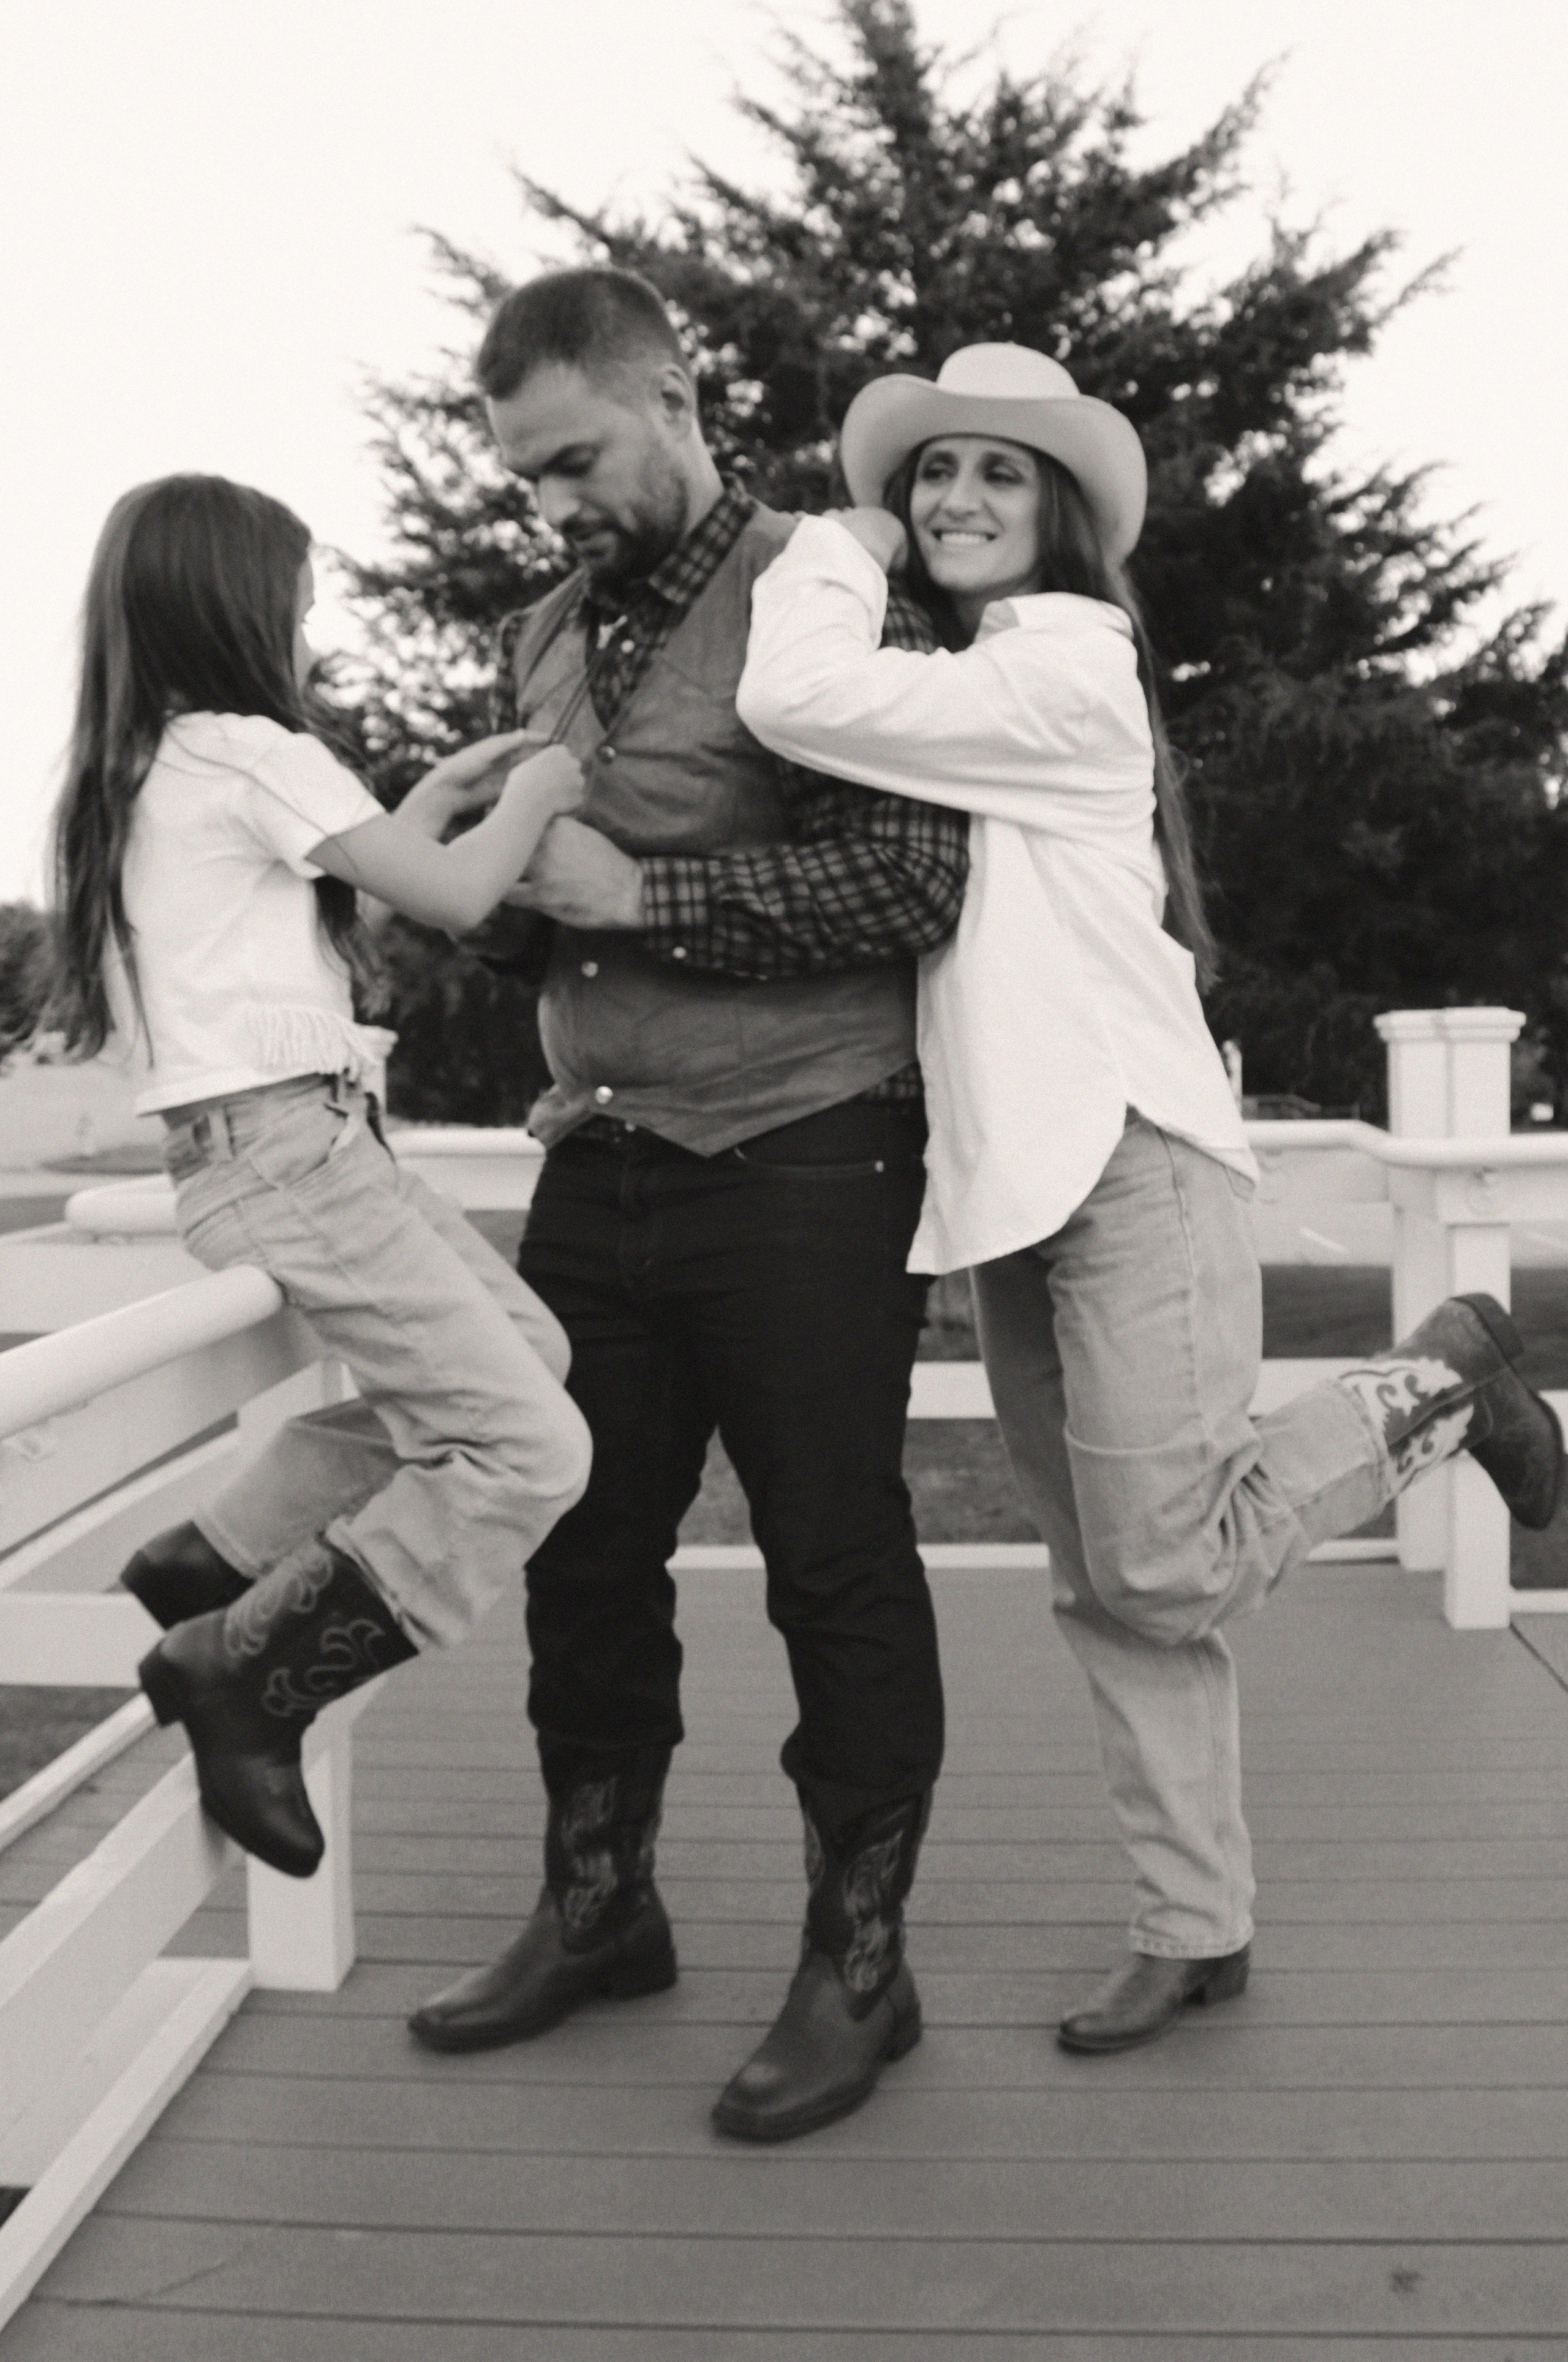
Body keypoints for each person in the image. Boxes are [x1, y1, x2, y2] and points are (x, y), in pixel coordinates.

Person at [735, 341, 1566, 2055]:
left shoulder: (1064, 668)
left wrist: (838, 544)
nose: (955, 500)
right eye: (932, 473)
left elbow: (786, 696)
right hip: (1020, 1186)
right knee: (1108, 1586)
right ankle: (1196, 1927)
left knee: (1169, 1566)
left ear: (1059, 521)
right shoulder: (973, 696)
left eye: (999, 476)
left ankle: (1443, 1379)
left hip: (1129, 1155)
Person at [399, 266, 971, 2146]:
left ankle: (860, 1970)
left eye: (571, 458)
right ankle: (600, 1906)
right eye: (523, 479)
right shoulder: (540, 632)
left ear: (671, 393)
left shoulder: (837, 580)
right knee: (579, 1548)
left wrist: (629, 899)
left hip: (809, 1154)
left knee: (834, 1559)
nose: (549, 505)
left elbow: (909, 882)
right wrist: (453, 880)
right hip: (600, 1162)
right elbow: (525, 916)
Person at [50, 472, 594, 1882]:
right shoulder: (245, 745)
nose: (304, 636)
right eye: (293, 608)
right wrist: (540, 784)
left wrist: (428, 798)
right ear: (238, 611)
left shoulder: (154, 766)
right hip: (292, 1150)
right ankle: (248, 1675)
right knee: (534, 1447)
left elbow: (322, 887)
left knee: (530, 1352)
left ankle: (214, 1555)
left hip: (281, 1150)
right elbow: (461, 897)